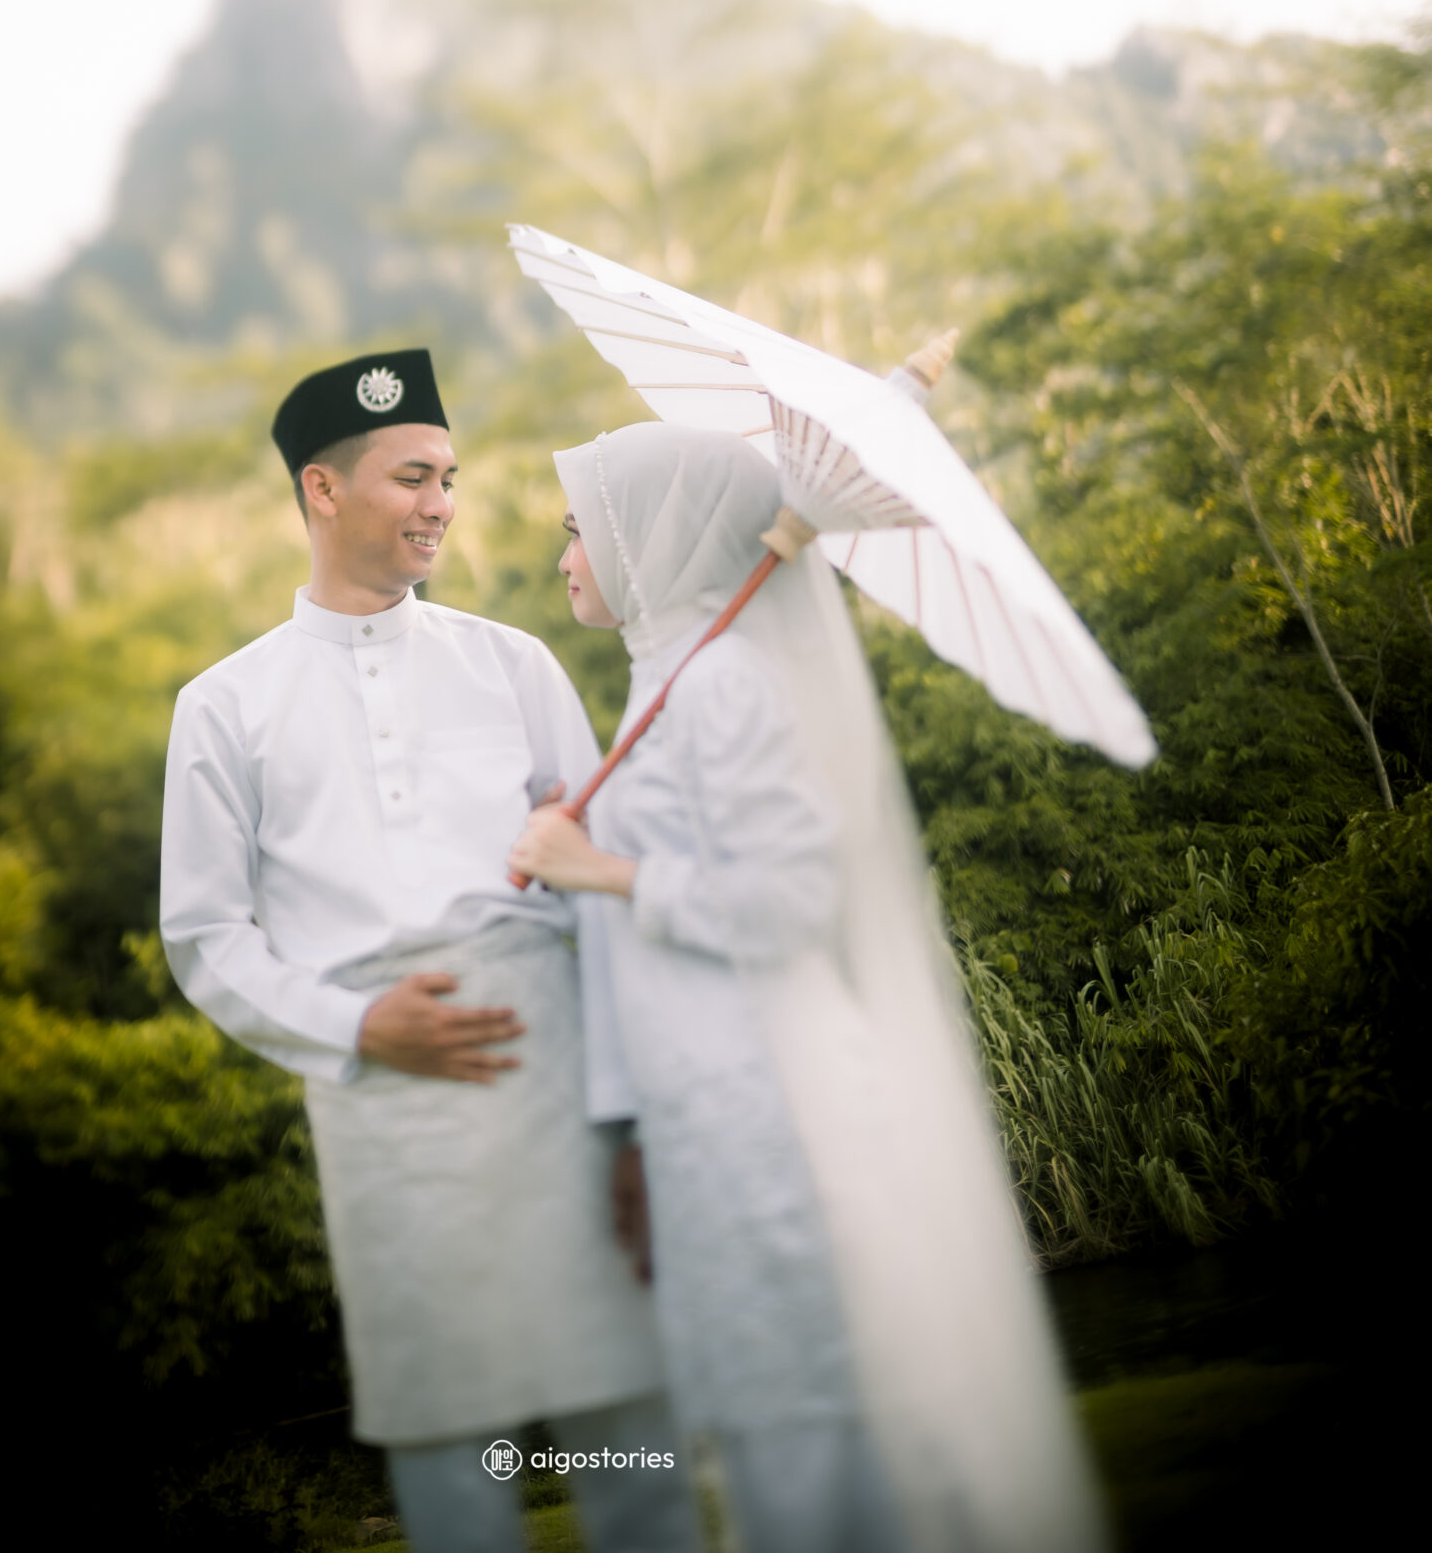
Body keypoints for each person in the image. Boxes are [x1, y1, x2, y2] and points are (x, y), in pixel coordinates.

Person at [510, 422, 1107, 1553]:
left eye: (579, 528)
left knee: (805, 1414)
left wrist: (601, 869)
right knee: (764, 1419)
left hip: (772, 1101)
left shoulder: (721, 682)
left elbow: (790, 899)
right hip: (705, 1106)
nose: (563, 556)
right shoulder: (665, 676)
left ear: (651, 534)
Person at [160, 352, 699, 1553]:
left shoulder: (514, 663)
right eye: (413, 477)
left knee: (625, 1411)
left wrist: (628, 1119)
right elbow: (203, 935)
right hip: (382, 1094)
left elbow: (597, 897)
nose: (442, 503)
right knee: (448, 1442)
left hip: (558, 1079)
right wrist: (357, 1025)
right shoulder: (223, 705)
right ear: (322, 488)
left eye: (449, 477)